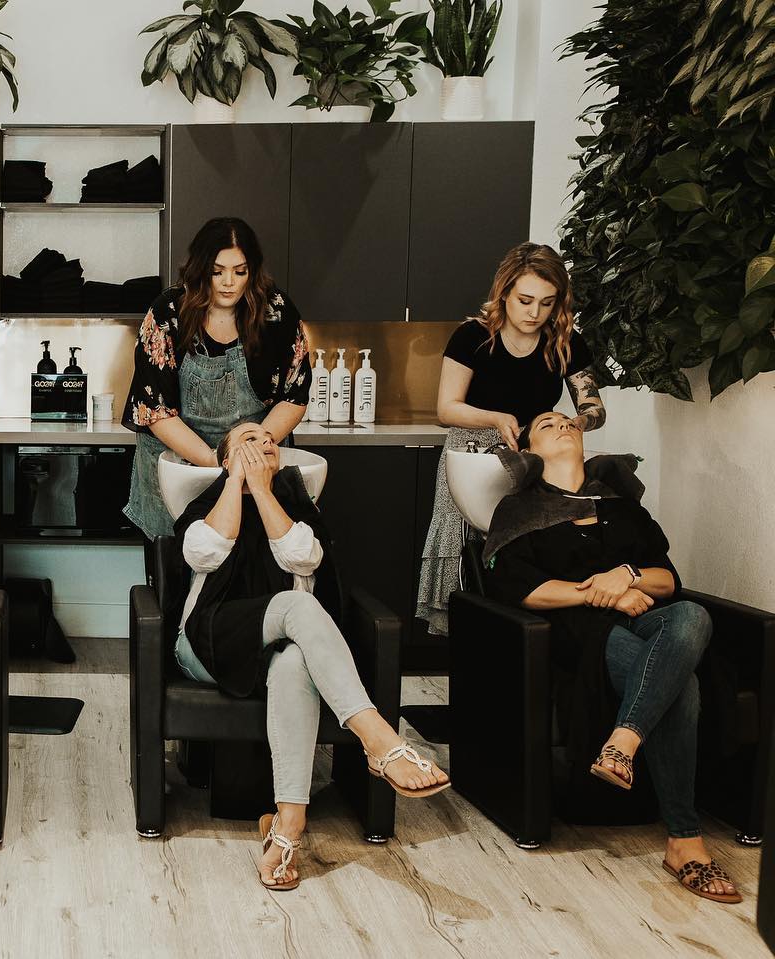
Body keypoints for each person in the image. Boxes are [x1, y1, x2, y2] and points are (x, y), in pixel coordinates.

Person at [174, 422, 450, 891]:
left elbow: (302, 558)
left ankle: (288, 828)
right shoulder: (207, 504)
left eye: (269, 438)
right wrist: (239, 484)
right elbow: (205, 554)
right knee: (301, 605)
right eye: (248, 440)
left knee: (294, 663)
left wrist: (264, 491)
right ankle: (380, 741)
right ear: (224, 460)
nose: (264, 443)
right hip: (208, 641)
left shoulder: (298, 508)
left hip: (280, 647)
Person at [483, 412, 739, 904]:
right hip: (576, 633)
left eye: (569, 421)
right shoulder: (517, 510)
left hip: (651, 620)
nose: (562, 425)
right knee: (681, 685)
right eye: (547, 423)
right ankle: (685, 841)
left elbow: (666, 580)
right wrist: (602, 592)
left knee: (692, 615)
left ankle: (623, 739)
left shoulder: (622, 507)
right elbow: (524, 590)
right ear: (529, 449)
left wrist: (626, 574)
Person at [417, 242, 606, 635]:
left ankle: (520, 649)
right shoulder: (472, 336)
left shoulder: (566, 342)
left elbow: (594, 408)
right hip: (472, 460)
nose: (534, 313)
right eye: (525, 300)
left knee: (521, 556)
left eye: (547, 303)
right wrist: (495, 417)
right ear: (504, 292)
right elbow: (447, 408)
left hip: (532, 461)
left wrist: (572, 425)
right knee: (469, 558)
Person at [123, 217, 313, 550]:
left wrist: (252, 452)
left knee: (247, 571)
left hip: (248, 467)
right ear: (200, 269)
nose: (228, 282)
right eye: (217, 271)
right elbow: (154, 409)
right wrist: (218, 461)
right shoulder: (168, 313)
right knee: (176, 571)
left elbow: (294, 394)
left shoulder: (276, 312)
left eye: (240, 272)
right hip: (176, 467)